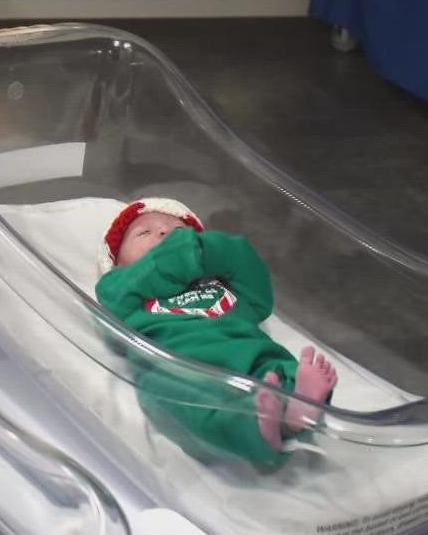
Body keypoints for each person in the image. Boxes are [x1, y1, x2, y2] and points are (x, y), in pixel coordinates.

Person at [94, 199, 339, 467]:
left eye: (176, 230)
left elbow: (246, 265)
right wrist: (182, 250)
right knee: (175, 401)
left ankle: (294, 414)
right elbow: (116, 314)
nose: (163, 233)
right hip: (177, 367)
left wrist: (203, 251)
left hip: (248, 352)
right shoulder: (120, 289)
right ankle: (256, 429)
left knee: (284, 370)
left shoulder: (224, 283)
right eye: (144, 232)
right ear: (116, 262)